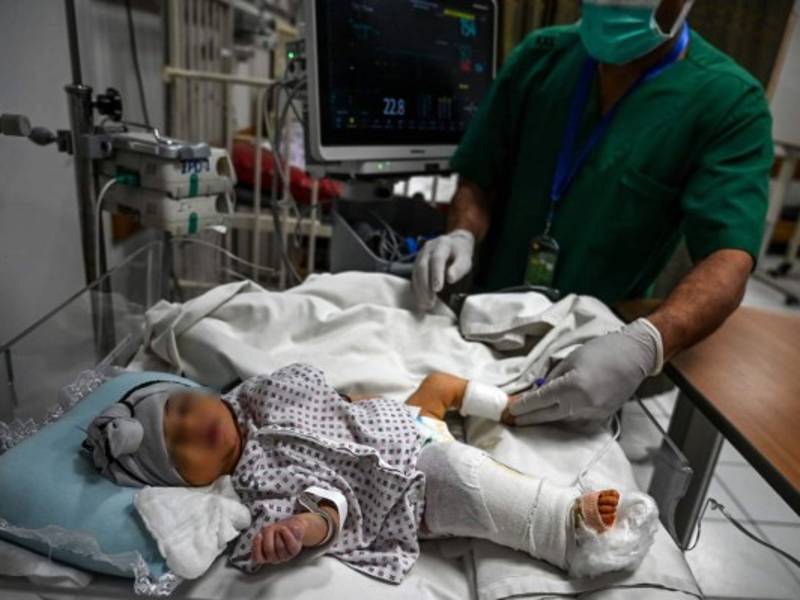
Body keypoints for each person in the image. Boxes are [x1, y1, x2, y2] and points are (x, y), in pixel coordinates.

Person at [411, 0, 774, 426]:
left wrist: (647, 342)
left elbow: (728, 258)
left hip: (591, 353)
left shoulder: (728, 102)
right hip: (480, 323)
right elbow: (478, 178)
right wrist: (462, 234)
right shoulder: (541, 58)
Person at [84, 365, 659, 581]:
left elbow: (327, 395)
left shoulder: (254, 391)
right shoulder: (254, 481)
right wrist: (297, 535)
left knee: (439, 385)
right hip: (407, 483)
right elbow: (326, 508)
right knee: (464, 475)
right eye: (179, 445)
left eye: (183, 409)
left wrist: (355, 404)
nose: (193, 427)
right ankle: (563, 527)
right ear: (188, 481)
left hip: (398, 425)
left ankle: (510, 406)